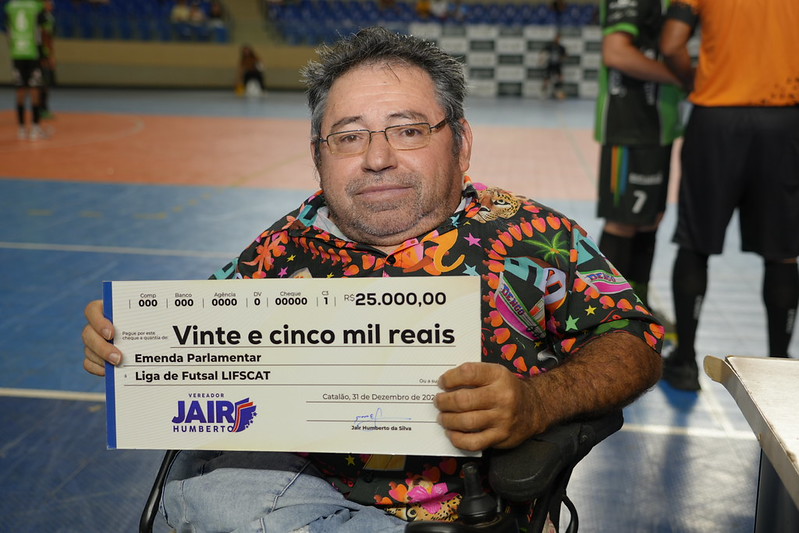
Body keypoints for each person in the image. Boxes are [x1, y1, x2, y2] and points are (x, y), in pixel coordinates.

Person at [82, 27, 663, 532]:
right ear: (319, 157)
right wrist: (124, 341)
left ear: (461, 145)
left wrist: (538, 401)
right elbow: (192, 343)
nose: (378, 158)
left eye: (408, 130)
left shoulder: (529, 236)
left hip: (464, 507)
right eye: (349, 136)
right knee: (209, 496)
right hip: (298, 486)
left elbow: (633, 338)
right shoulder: (284, 246)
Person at [659, 1, 799, 390]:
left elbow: (671, 43)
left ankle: (686, 362)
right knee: (783, 251)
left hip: (717, 118)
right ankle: (780, 367)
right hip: (784, 119)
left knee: (695, 243)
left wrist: (693, 80)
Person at [594, 0, 685, 325]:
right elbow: (616, 53)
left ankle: (638, 311)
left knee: (649, 219)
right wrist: (682, 77)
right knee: (623, 221)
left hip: (658, 126)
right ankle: (609, 316)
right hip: (630, 126)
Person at [5, 0, 49, 140]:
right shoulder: (36, 6)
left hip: (17, 53)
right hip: (32, 53)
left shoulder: (10, 6)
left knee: (20, 90)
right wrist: (45, 54)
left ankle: (22, 129)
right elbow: (43, 31)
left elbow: (9, 31)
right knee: (35, 89)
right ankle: (35, 128)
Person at [40, 0, 56, 120]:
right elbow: (47, 36)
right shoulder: (46, 18)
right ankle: (43, 109)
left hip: (38, 52)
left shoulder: (39, 16)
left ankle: (41, 108)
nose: (51, 5)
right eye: (48, 2)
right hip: (42, 54)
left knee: (43, 82)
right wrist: (51, 55)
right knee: (44, 82)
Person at [540, 33, 566, 99]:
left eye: (559, 38)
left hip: (557, 65)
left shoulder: (561, 47)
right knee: (546, 79)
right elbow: (543, 52)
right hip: (550, 64)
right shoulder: (550, 46)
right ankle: (543, 93)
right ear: (555, 38)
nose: (558, 39)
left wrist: (562, 58)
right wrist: (542, 59)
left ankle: (558, 93)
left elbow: (564, 55)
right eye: (557, 38)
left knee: (560, 78)